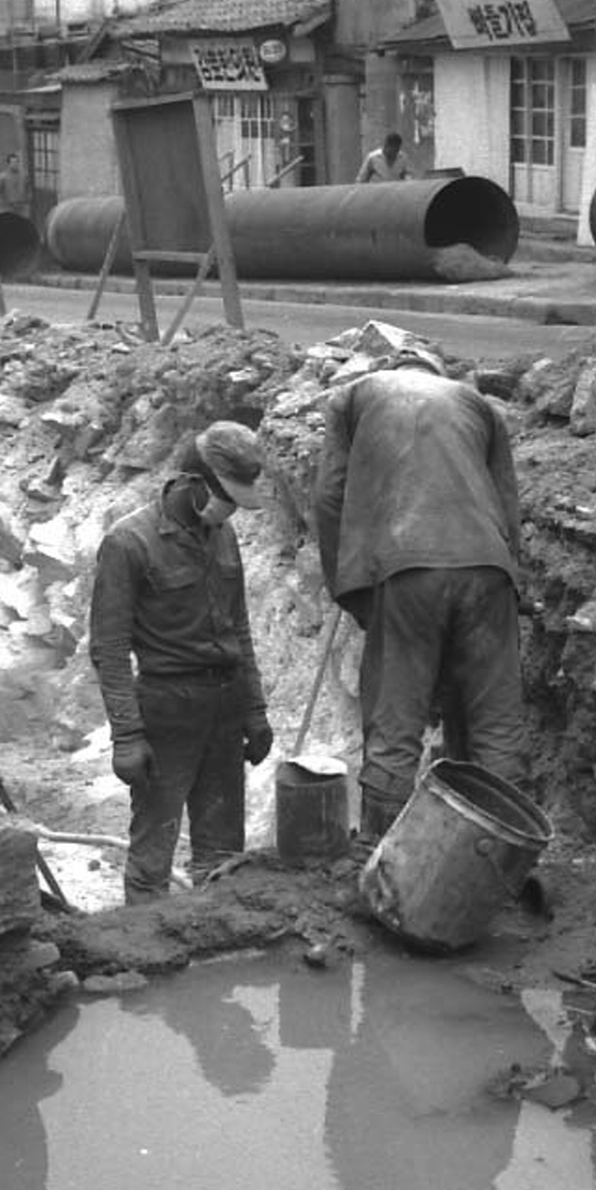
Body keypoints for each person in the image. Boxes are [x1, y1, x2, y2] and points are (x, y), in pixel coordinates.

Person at [313, 340, 527, 843]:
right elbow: (508, 506)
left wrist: (348, 589)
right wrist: (512, 580)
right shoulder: (478, 405)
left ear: (393, 368)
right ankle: (506, 860)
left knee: (396, 720)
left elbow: (328, 499)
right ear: (440, 372)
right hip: (489, 568)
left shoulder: (353, 397)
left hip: (408, 568)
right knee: (497, 723)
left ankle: (378, 853)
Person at [88, 422, 276, 903]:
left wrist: (254, 710)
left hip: (224, 707)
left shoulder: (222, 536)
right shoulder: (128, 542)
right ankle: (152, 960)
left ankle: (217, 961)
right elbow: (108, 648)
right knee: (153, 857)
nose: (230, 510)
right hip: (167, 710)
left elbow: (240, 630)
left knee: (221, 858)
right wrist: (127, 735)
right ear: (194, 484)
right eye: (225, 498)